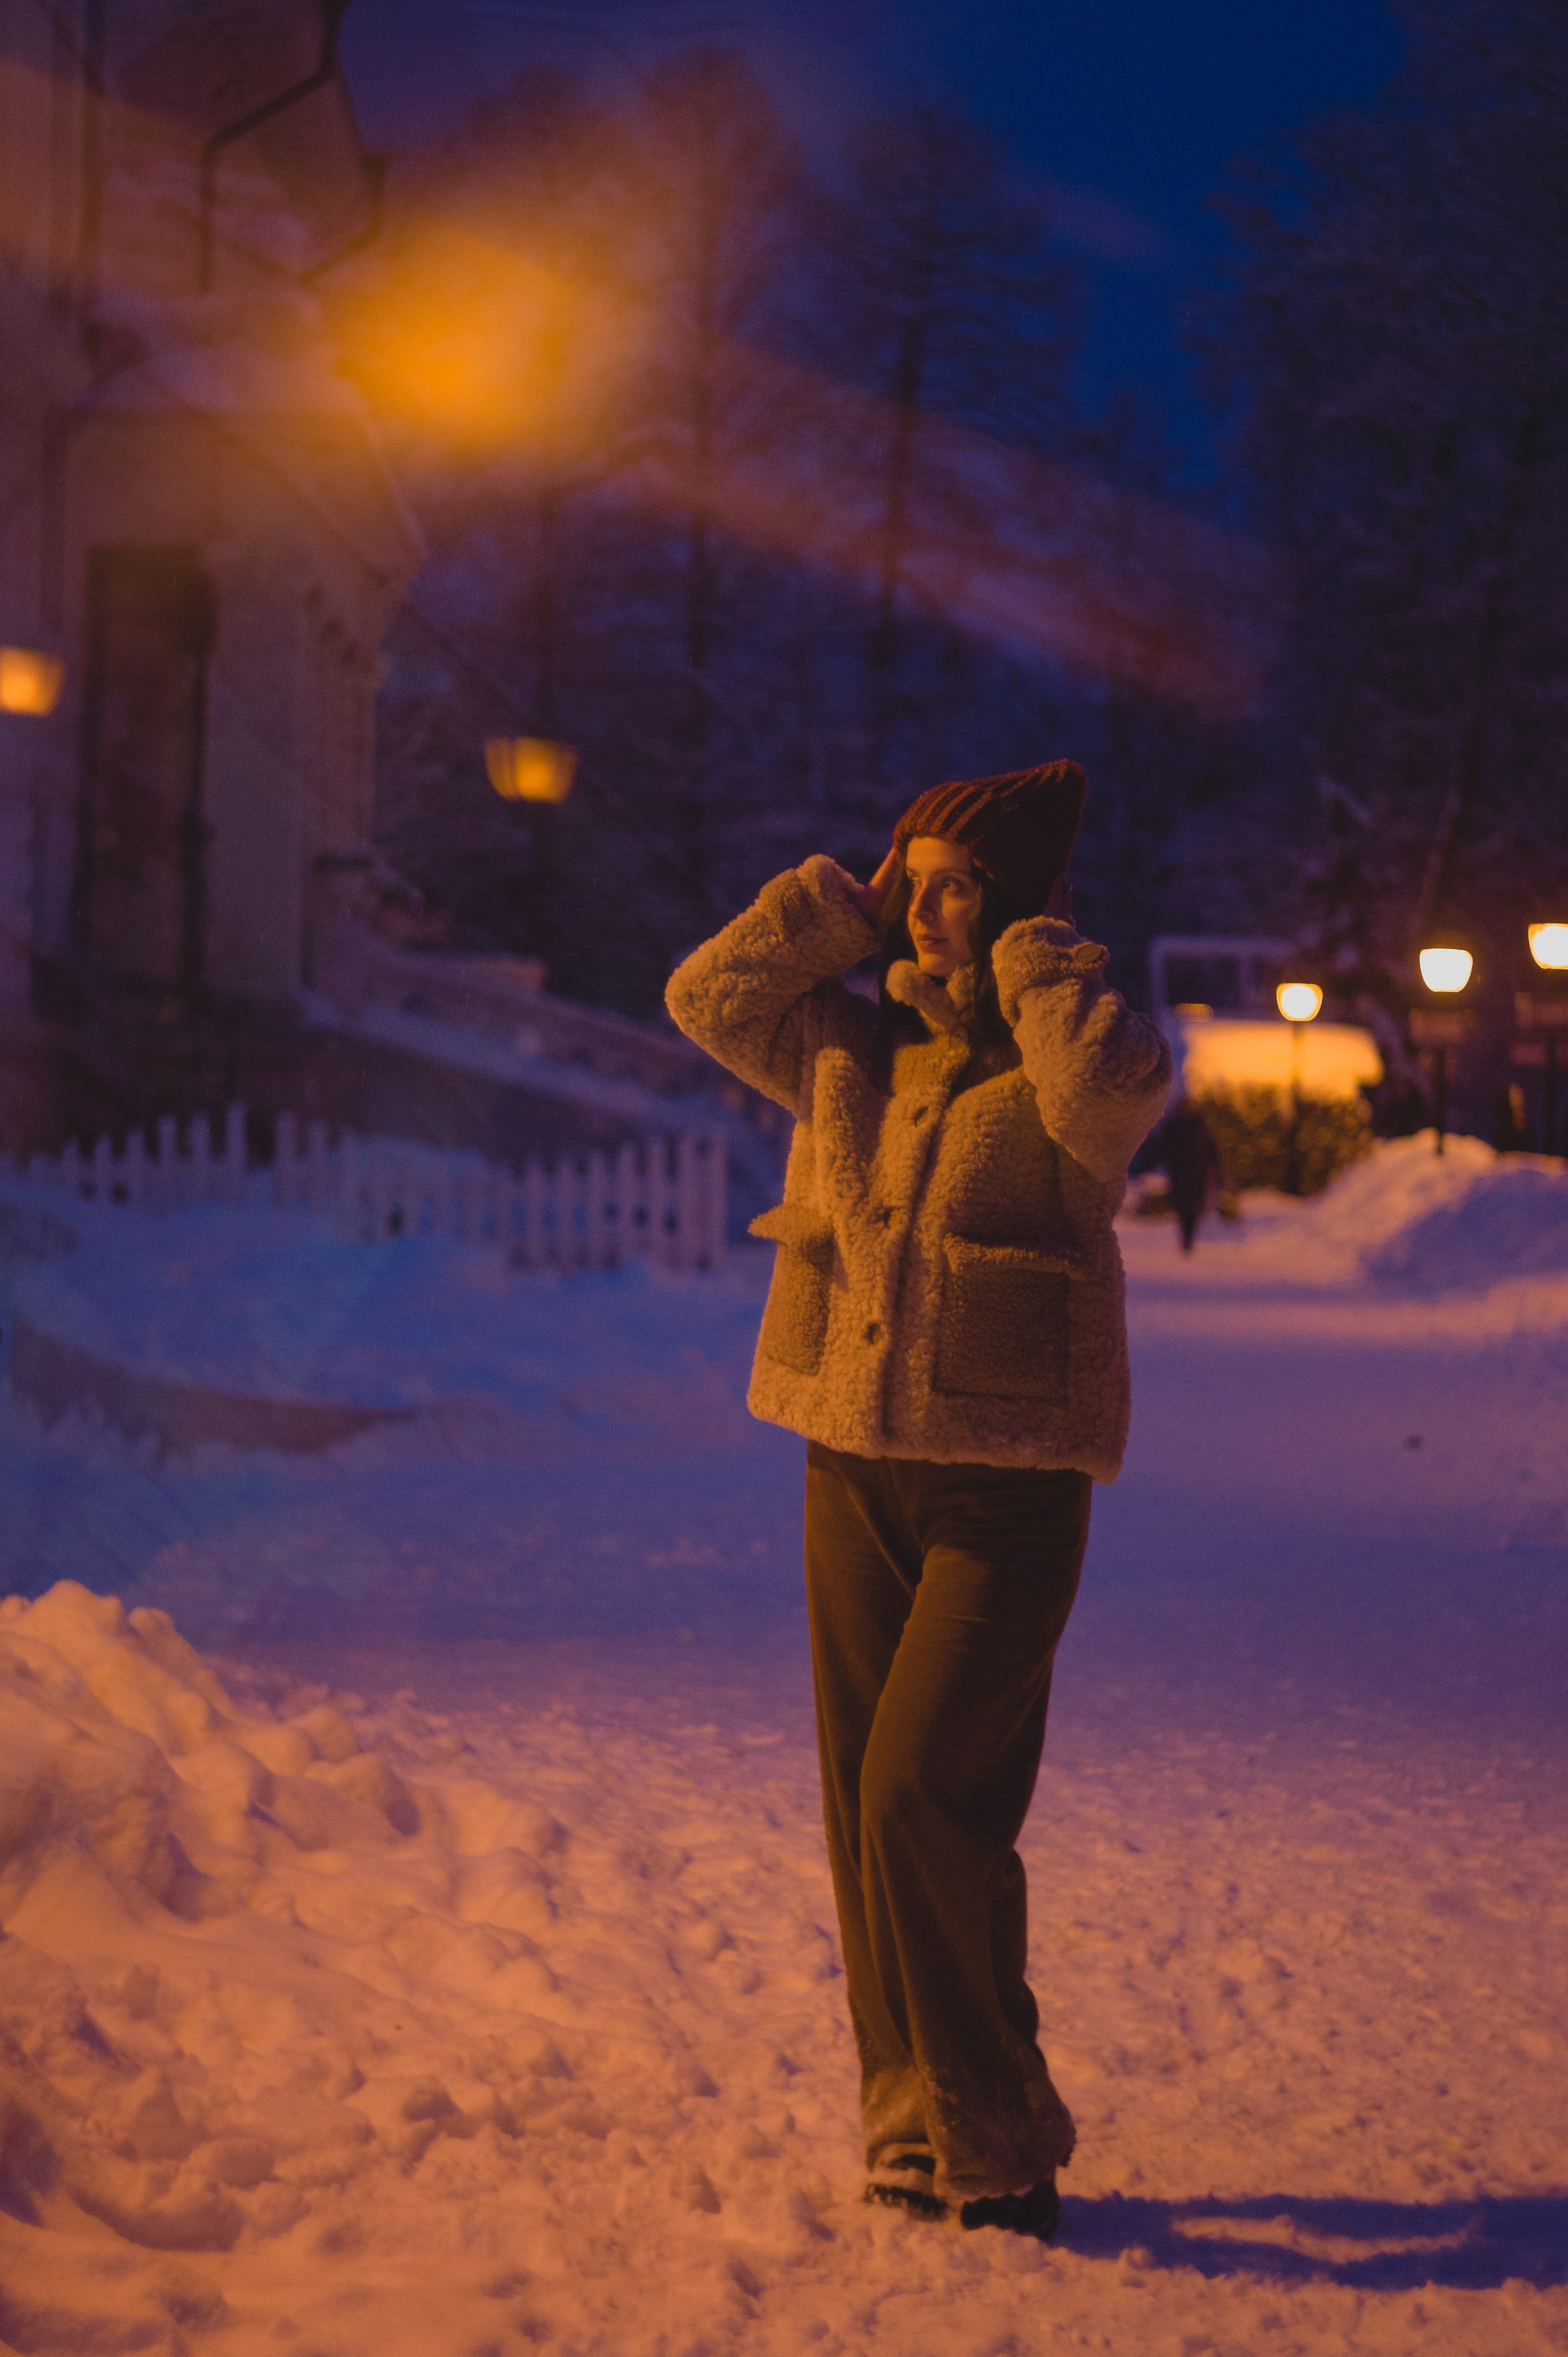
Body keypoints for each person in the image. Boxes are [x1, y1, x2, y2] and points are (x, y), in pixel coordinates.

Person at [665, 762, 1170, 2240]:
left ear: (1017, 900)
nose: (932, 905)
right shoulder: (845, 1031)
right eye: (917, 876)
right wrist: (836, 905)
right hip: (847, 1452)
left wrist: (1029, 960)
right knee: (860, 1806)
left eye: (961, 880)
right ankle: (904, 2107)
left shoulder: (1073, 1045)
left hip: (1006, 1483)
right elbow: (708, 998)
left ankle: (994, 2126)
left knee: (919, 1793)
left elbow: (1108, 1099)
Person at [1153, 1093, 1226, 1251]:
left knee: (1193, 1205)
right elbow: (1162, 1149)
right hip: (1181, 1174)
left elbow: (1212, 1152)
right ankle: (1187, 1237)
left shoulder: (1199, 1126)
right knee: (1183, 1206)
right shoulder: (1174, 1126)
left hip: (1195, 1174)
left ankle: (1188, 1237)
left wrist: (1218, 1172)